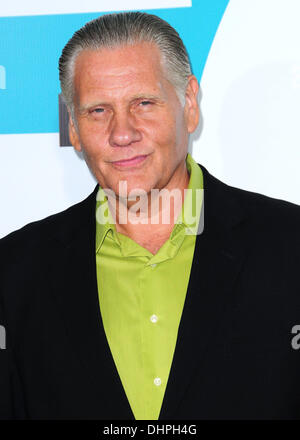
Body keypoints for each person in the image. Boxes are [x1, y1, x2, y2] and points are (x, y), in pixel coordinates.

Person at [0, 11, 300, 421]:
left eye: (144, 103)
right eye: (98, 111)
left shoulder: (290, 246)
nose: (122, 133)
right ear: (72, 127)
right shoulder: (13, 272)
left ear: (189, 105)